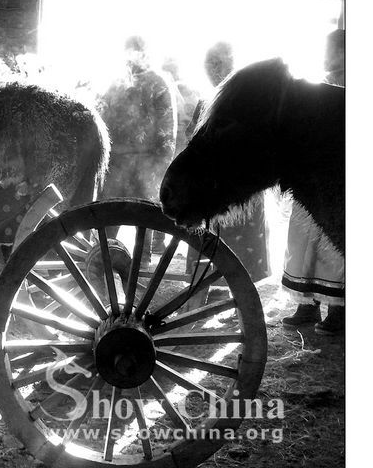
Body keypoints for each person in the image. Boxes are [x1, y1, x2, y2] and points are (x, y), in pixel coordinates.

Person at [185, 41, 270, 282]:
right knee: (208, 240)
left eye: (218, 63)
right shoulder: (206, 100)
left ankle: (242, 301)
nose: (213, 70)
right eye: (208, 65)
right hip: (210, 185)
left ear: (231, 64)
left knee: (244, 248)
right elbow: (193, 139)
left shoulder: (249, 100)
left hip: (241, 185)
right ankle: (206, 289)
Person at [281, 29, 345, 335]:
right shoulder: (319, 87)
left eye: (336, 50)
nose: (330, 56)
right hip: (311, 177)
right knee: (302, 243)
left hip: (338, 180)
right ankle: (307, 305)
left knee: (334, 248)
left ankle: (339, 309)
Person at [98, 35, 178, 257]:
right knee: (109, 212)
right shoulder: (115, 82)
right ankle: (104, 257)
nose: (131, 56)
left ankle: (141, 260)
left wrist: (161, 164)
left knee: (144, 214)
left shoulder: (159, 83)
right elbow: (104, 116)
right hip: (115, 161)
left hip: (146, 162)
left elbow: (166, 126)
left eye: (136, 50)